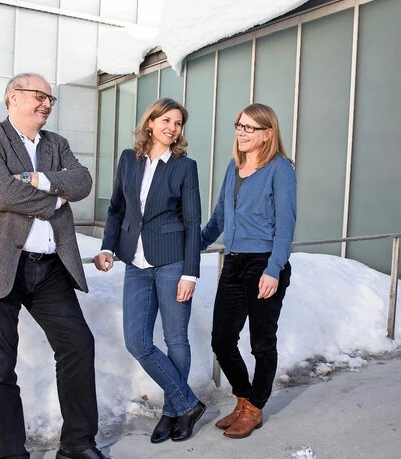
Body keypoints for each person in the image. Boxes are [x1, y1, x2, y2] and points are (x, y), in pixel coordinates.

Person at [0, 72, 106, 459]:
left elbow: (83, 183)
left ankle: (77, 445)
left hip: (49, 267)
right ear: (12, 97)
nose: (46, 104)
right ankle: (12, 454)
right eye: (38, 96)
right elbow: (1, 194)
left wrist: (36, 179)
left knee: (77, 345)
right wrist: (56, 199)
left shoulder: (57, 144)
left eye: (50, 99)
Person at [93, 98, 206, 444]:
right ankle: (187, 404)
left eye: (178, 123)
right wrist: (107, 246)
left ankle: (173, 412)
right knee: (137, 341)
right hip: (135, 264)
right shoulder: (129, 160)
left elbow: (192, 221)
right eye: (166, 120)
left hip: (172, 262)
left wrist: (191, 273)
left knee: (175, 339)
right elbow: (116, 208)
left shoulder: (184, 167)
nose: (172, 128)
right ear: (150, 123)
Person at [201, 103, 296, 439]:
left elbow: (285, 224)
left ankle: (255, 409)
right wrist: (192, 245)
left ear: (267, 134)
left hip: (264, 263)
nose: (241, 132)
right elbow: (218, 219)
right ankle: (243, 399)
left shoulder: (280, 168)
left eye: (249, 128)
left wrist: (274, 268)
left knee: (261, 344)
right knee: (222, 339)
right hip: (234, 262)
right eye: (238, 125)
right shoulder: (234, 167)